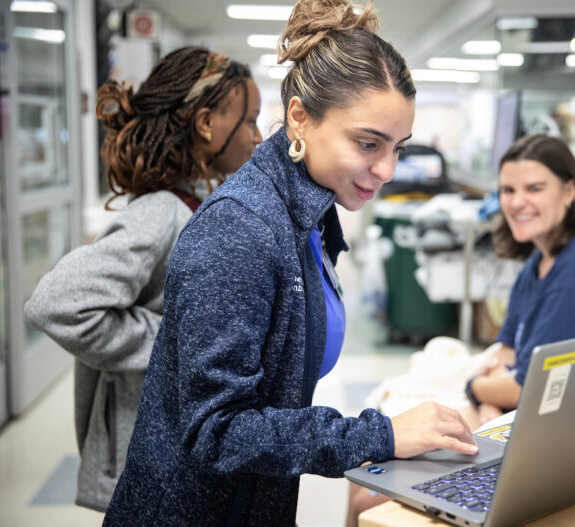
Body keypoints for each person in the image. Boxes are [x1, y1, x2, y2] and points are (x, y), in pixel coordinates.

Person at [103, 1, 478, 525]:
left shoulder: (310, 211)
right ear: (300, 117)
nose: (387, 169)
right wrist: (380, 435)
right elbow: (218, 430)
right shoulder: (240, 229)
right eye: (368, 143)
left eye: (398, 147)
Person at [23, 46, 261, 512]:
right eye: (250, 120)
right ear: (207, 123)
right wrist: (174, 341)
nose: (256, 136)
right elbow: (54, 303)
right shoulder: (160, 213)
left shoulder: (196, 204)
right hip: (140, 457)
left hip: (167, 449)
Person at [464, 134, 575, 427]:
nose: (518, 202)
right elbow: (508, 350)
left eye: (534, 189)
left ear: (569, 191)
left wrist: (474, 387)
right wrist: (490, 400)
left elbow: (533, 389)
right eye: (508, 190)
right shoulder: (541, 259)